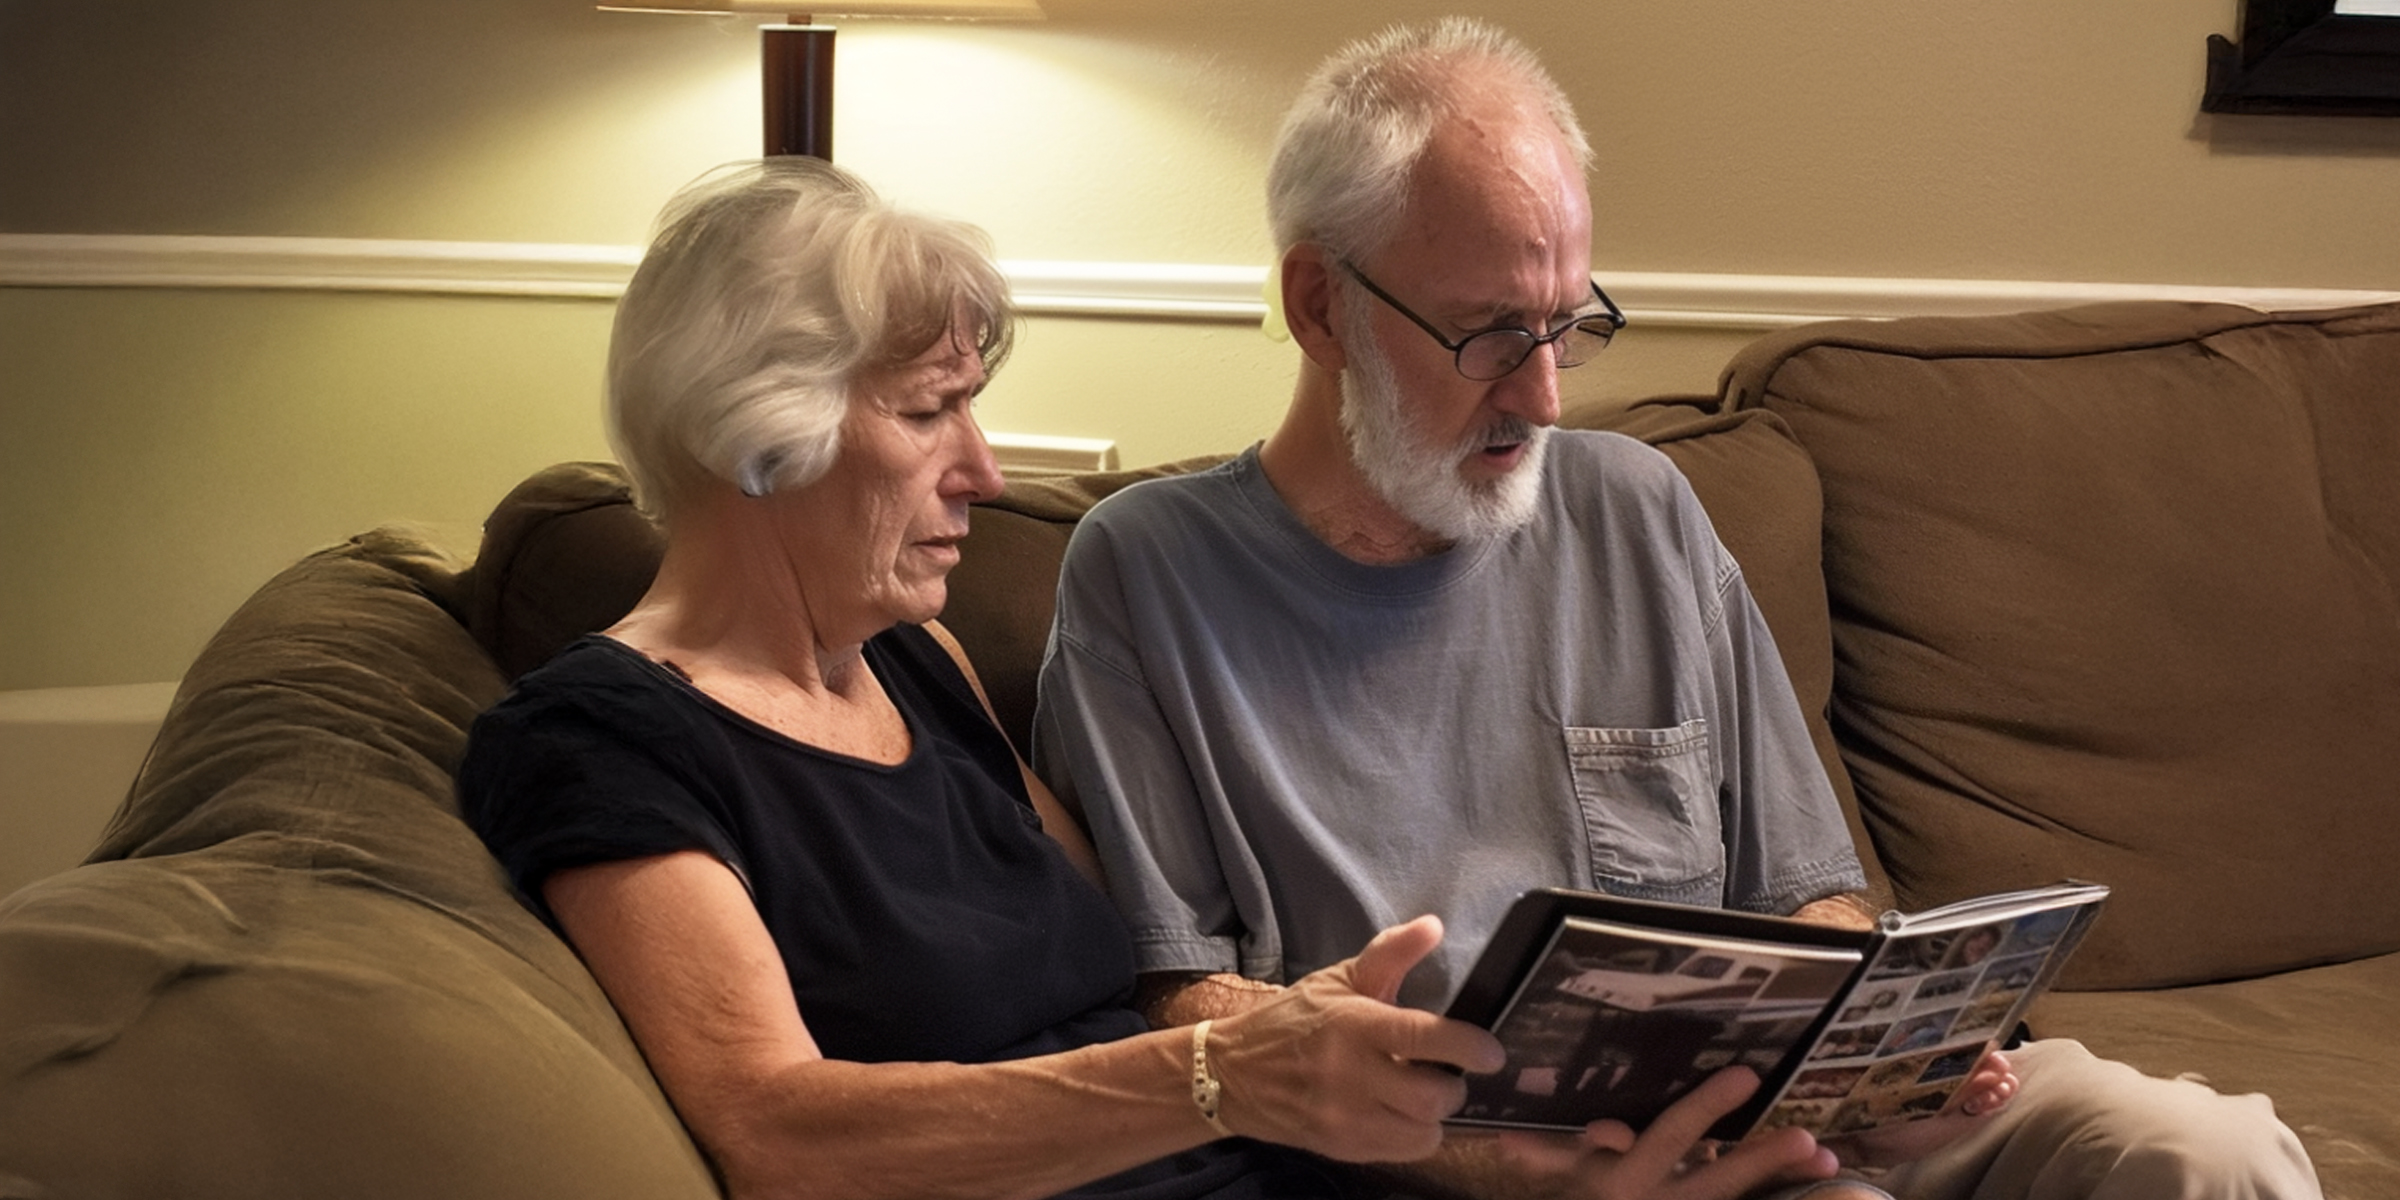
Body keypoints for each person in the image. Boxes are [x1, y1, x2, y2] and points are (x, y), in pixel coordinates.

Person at [1030, 18, 2321, 1200]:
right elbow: (1181, 1013)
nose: (1543, 399)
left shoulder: (1638, 509)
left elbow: (1814, 902)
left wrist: (1885, 1059)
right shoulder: (1148, 576)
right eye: (1489, 336)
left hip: (1783, 1118)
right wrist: (1519, 1171)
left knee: (2203, 1152)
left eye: (1565, 324)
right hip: (1483, 1174)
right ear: (1322, 306)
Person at [454, 158, 1841, 1200]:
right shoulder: (603, 739)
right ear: (754, 434)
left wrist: (1355, 1050)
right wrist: (1222, 1075)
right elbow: (772, 1127)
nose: (985, 471)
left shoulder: (911, 668)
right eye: (929, 411)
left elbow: (1149, 967)